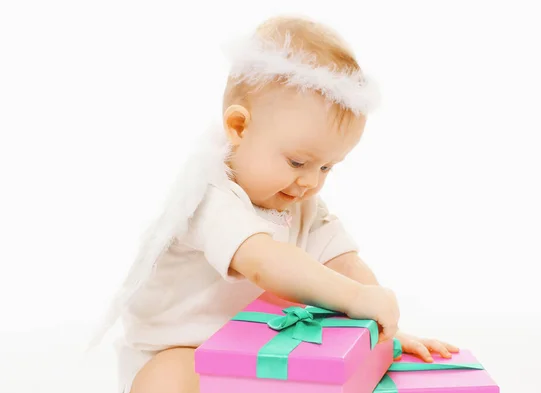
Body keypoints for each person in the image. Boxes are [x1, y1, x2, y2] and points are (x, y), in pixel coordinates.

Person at [91, 15, 459, 393]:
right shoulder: (209, 195)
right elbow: (265, 262)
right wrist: (356, 298)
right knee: (168, 377)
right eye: (298, 162)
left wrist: (381, 329)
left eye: (327, 167)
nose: (312, 181)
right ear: (239, 127)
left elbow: (344, 261)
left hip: (263, 349)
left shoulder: (299, 199)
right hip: (186, 347)